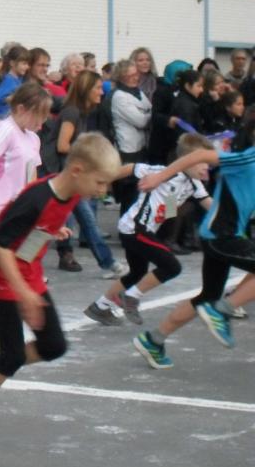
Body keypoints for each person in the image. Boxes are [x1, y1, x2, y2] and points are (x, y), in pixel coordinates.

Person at [0, 133, 121, 449]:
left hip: (28, 271)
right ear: (77, 170)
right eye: (100, 182)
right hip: (0, 276)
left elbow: (32, 230)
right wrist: (24, 294)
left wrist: (53, 230)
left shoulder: (71, 192)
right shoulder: (38, 198)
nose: (103, 190)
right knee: (12, 355)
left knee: (53, 345)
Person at [133, 107, 255, 368]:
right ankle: (223, 310)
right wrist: (159, 177)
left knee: (207, 295)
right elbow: (198, 155)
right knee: (213, 303)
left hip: (221, 236)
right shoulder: (248, 157)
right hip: (221, 236)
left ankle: (153, 340)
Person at [84, 133, 213, 326]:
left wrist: (234, 215)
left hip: (142, 230)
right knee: (172, 266)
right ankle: (131, 297)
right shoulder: (164, 172)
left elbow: (209, 206)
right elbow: (132, 168)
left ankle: (100, 307)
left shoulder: (194, 185)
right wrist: (103, 180)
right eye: (202, 162)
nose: (206, 168)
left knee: (137, 273)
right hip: (135, 228)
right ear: (186, 160)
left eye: (208, 164)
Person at [45, 70, 126, 277]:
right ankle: (106, 263)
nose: (101, 92)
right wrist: (89, 156)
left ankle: (105, 263)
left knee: (81, 220)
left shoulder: (79, 112)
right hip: (61, 174)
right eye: (97, 88)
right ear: (85, 89)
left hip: (69, 174)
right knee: (74, 220)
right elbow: (63, 145)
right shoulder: (72, 112)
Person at [0, 82, 52, 249]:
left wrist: (36, 213)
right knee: (7, 257)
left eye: (45, 117)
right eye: (38, 116)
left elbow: (31, 181)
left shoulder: (33, 138)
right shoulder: (5, 130)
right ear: (22, 109)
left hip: (15, 210)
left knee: (19, 255)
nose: (41, 123)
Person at [110, 59, 152, 213]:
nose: (135, 78)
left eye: (136, 74)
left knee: (138, 191)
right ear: (121, 77)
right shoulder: (119, 96)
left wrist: (147, 113)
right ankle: (125, 223)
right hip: (129, 149)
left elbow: (150, 108)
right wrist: (148, 114)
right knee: (129, 192)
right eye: (131, 75)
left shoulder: (138, 92)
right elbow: (141, 121)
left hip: (141, 146)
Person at [0, 46, 31, 118]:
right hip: (5, 117)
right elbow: (0, 98)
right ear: (12, 63)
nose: (27, 67)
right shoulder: (8, 81)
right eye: (24, 63)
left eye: (28, 64)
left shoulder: (19, 80)